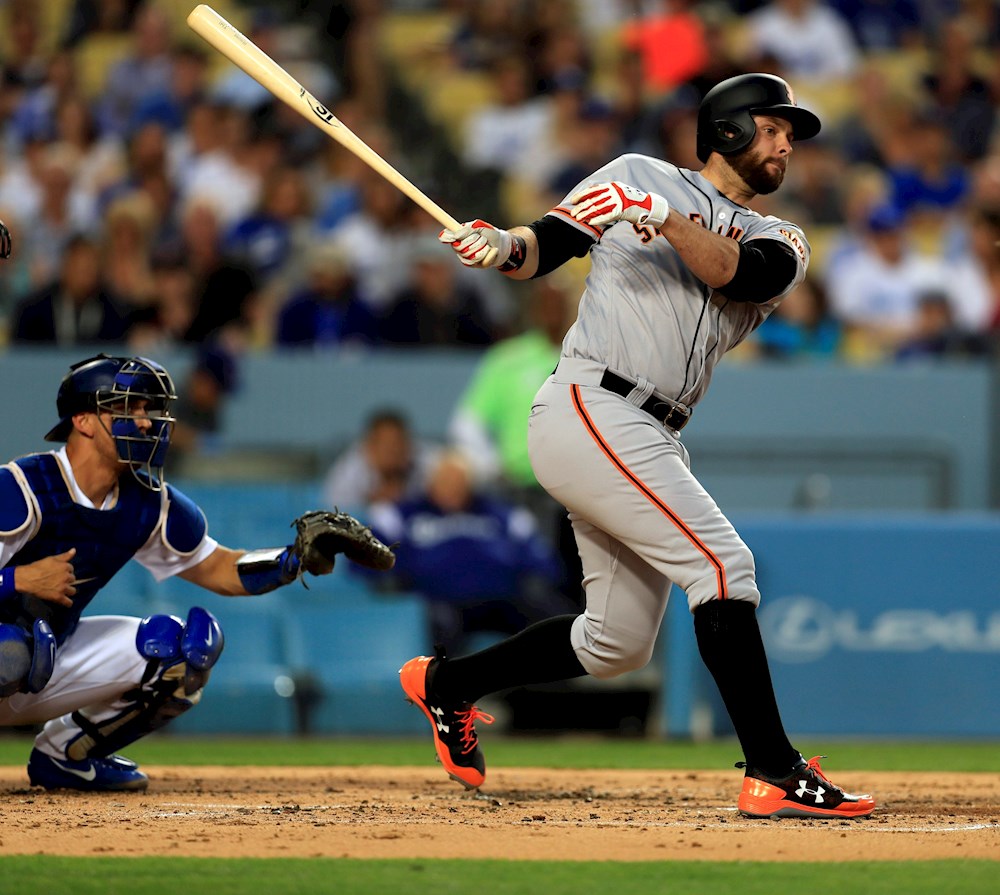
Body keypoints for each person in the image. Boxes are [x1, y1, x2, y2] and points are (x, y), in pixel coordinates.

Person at [399, 73, 876, 820]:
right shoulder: (634, 173)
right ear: (726, 130)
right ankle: (774, 769)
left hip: (653, 430)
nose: (787, 143)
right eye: (773, 128)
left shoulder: (783, 237)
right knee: (723, 567)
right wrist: (499, 245)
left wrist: (663, 218)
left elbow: (739, 273)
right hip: (592, 403)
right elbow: (543, 248)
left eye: (790, 134)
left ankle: (447, 683)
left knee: (615, 644)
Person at [0, 352, 391, 792]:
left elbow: (221, 568)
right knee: (8, 649)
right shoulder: (22, 487)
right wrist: (18, 580)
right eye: (127, 408)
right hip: (10, 657)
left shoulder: (147, 502)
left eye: (147, 409)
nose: (144, 422)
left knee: (177, 650)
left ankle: (66, 756)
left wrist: (293, 559)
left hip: (45, 660)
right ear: (83, 420)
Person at [366, 449, 572, 655]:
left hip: (502, 598)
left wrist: (539, 573)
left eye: (459, 482)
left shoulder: (501, 514)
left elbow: (541, 558)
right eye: (445, 481)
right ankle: (440, 675)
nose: (453, 488)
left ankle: (565, 673)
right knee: (443, 626)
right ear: (431, 483)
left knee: (555, 618)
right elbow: (371, 552)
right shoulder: (404, 514)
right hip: (441, 601)